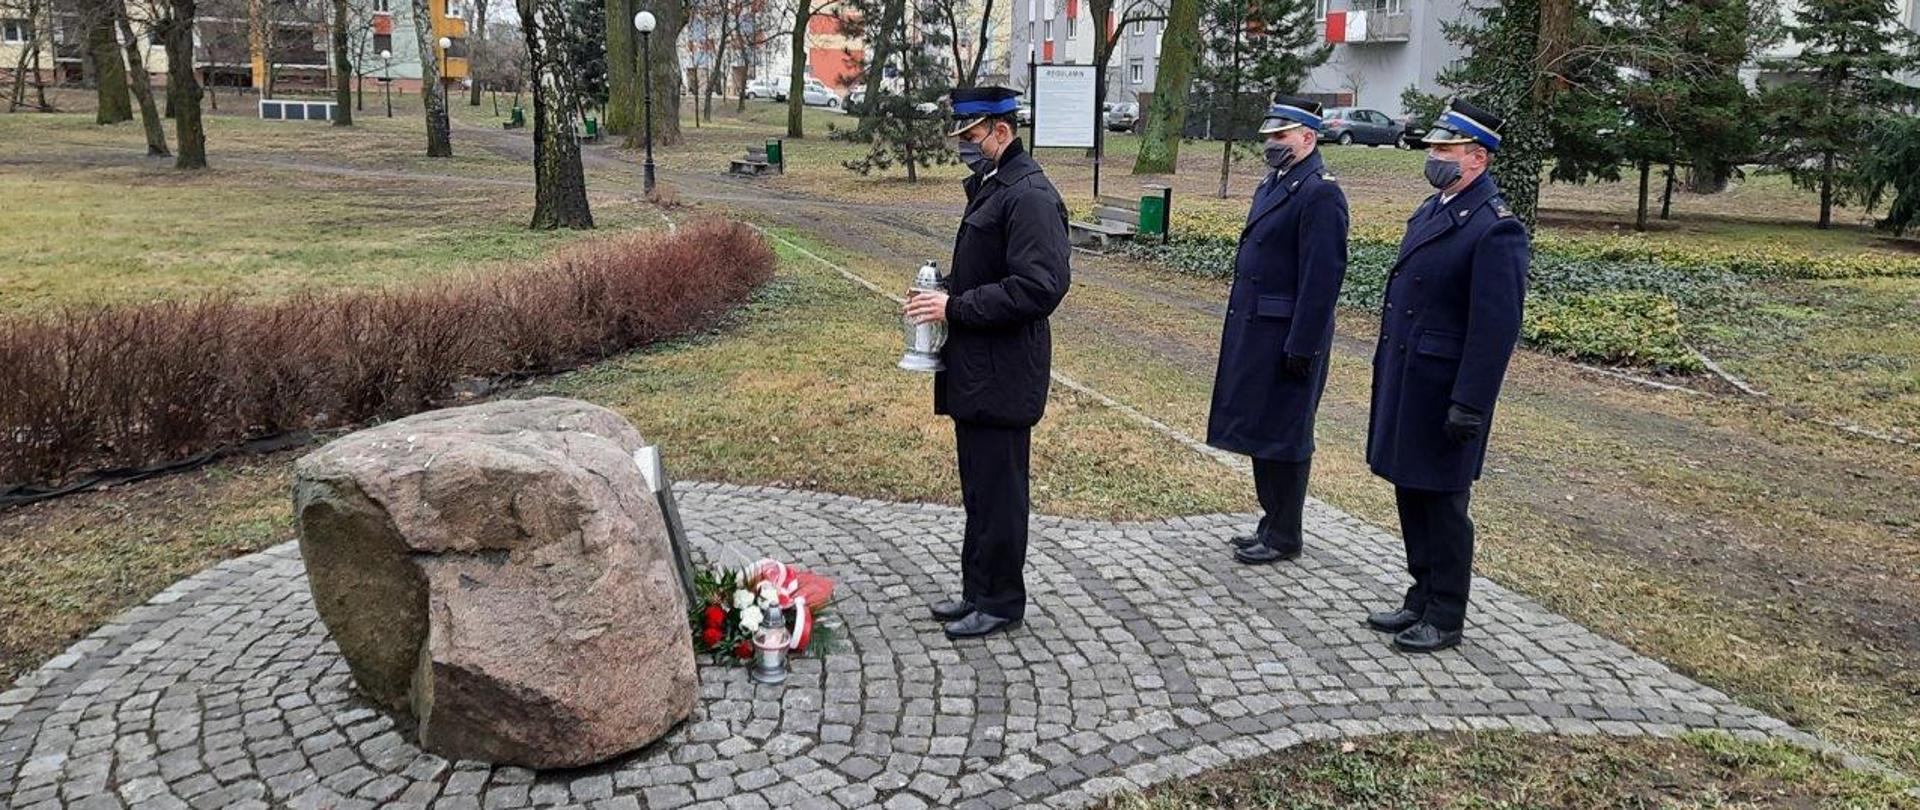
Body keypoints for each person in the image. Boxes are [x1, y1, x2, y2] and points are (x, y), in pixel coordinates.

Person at [903, 86, 1072, 641]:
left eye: (972, 137)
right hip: (978, 367)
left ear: (1002, 131)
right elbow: (988, 272)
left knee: (1000, 494)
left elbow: (1039, 287)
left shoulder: (1030, 196)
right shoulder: (993, 188)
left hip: (1004, 373)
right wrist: (941, 291)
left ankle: (1001, 601)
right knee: (979, 489)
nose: (965, 148)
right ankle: (978, 590)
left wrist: (955, 305)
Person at [1362, 98, 1530, 654]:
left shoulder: (1494, 229)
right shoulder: (1437, 207)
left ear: (1476, 158)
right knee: (1412, 489)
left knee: (1445, 504)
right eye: (1433, 147)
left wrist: (1471, 403)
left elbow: (1495, 328)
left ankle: (1447, 612)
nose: (1432, 156)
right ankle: (1420, 595)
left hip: (1447, 390)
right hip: (1411, 377)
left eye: (1444, 149)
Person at [1204, 96, 1349, 566]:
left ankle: (1286, 532)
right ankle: (1271, 521)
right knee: (1261, 428)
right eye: (1268, 136)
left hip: (1288, 336)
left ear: (1308, 137)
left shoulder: (1320, 192)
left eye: (1280, 136)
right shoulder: (1276, 183)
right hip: (1257, 330)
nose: (1271, 144)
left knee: (1286, 433)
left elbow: (1322, 278)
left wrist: (1303, 344)